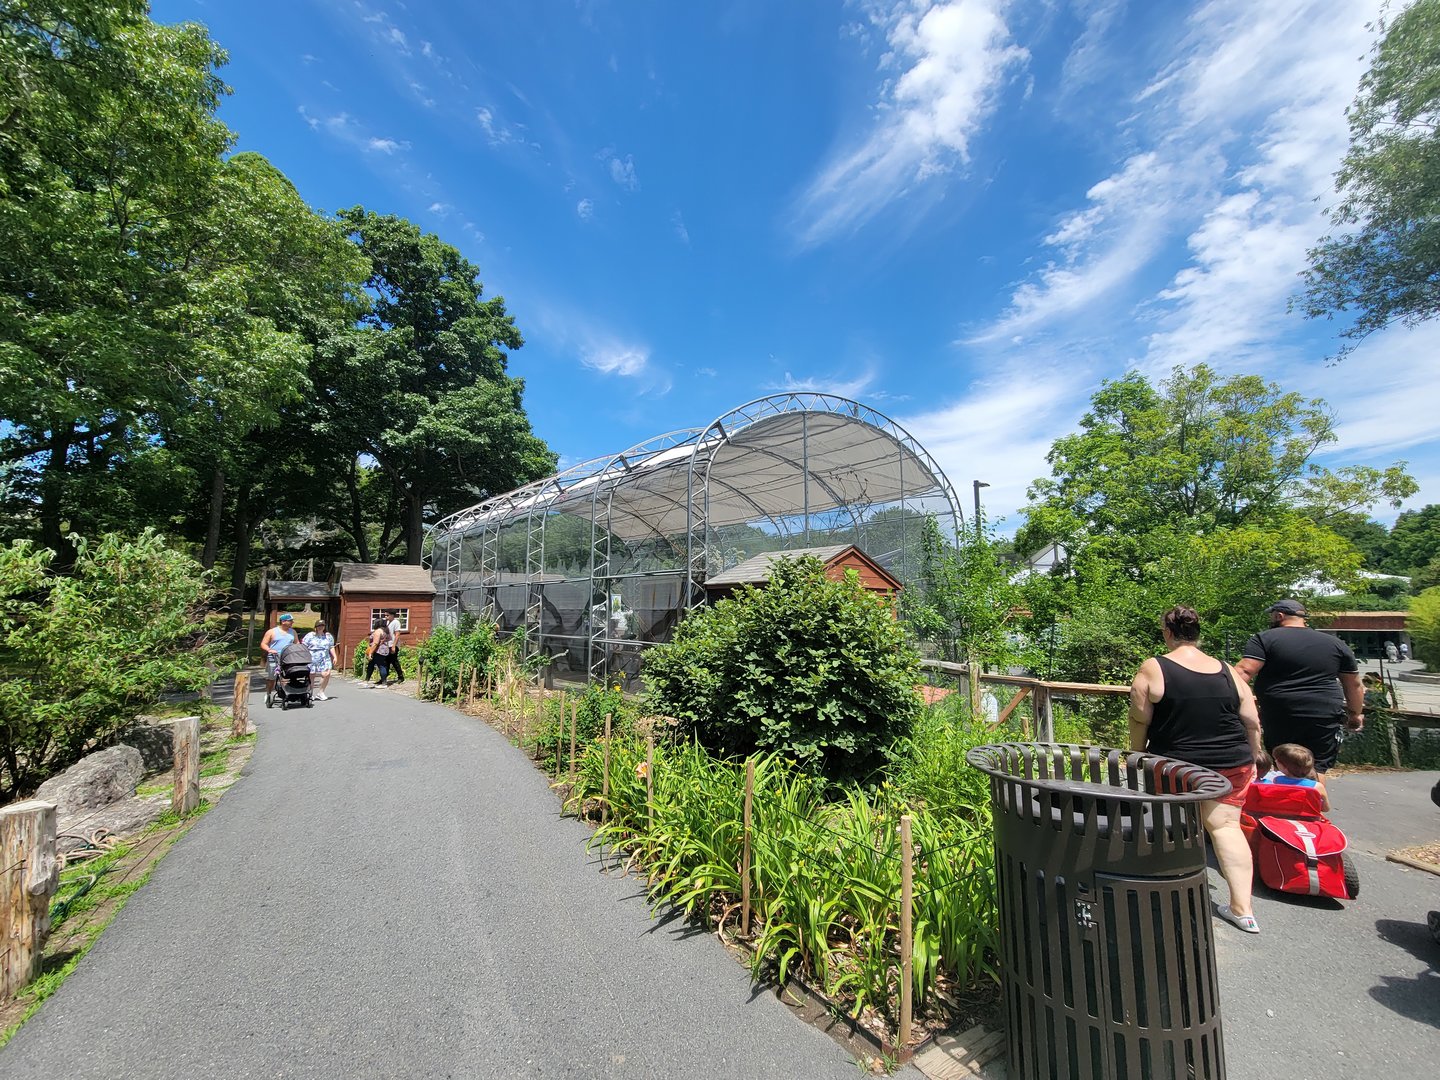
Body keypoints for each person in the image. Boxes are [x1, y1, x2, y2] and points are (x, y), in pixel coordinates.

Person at [1130, 605, 1265, 934]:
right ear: (1198, 633)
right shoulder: (1226, 670)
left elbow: (1139, 717)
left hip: (1176, 766)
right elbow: (1251, 719)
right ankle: (1242, 910)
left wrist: (1134, 754)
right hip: (1231, 763)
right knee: (1225, 829)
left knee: (1170, 825)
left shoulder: (1154, 667)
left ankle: (1164, 895)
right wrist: (1256, 754)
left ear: (1167, 633)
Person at [1236, 599, 1365, 773]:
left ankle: (1288, 798)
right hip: (1323, 714)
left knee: (1283, 762)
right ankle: (1315, 798)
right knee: (1316, 767)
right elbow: (1354, 684)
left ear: (1278, 615)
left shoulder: (1264, 639)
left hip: (1281, 713)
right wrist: (1355, 714)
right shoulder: (1335, 644)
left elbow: (1244, 671)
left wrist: (1224, 694)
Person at [1259, 742, 1331, 811]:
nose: (1275, 761)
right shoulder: (1317, 787)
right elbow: (1326, 808)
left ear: (1284, 768)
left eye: (1277, 761)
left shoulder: (1277, 781)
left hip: (1282, 816)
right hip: (1308, 819)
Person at [260, 613, 298, 696]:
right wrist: (269, 650)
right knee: (272, 677)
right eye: (290, 621)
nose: (292, 622)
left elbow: (297, 643)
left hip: (288, 657)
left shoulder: (293, 632)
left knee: (286, 676)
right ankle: (268, 693)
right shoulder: (271, 632)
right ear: (283, 622)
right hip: (274, 657)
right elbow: (263, 644)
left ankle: (287, 693)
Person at [302, 620, 338, 701]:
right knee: (311, 675)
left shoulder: (328, 636)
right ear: (316, 627)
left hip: (325, 657)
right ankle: (310, 693)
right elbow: (303, 646)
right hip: (312, 657)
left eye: (322, 625)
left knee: (326, 674)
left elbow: (331, 647)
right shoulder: (310, 635)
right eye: (319, 625)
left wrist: (335, 656)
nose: (320, 627)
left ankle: (321, 692)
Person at [361, 618, 394, 687]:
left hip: (377, 651)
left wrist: (370, 652)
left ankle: (384, 683)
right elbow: (390, 638)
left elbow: (375, 643)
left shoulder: (378, 631)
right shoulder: (386, 631)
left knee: (381, 666)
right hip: (384, 649)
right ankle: (366, 681)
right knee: (371, 665)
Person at [386, 610, 406, 682]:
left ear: (392, 615)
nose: (386, 617)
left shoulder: (396, 622)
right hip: (388, 644)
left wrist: (394, 646)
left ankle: (400, 676)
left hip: (393, 644)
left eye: (387, 615)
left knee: (394, 661)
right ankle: (384, 676)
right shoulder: (388, 622)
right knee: (386, 661)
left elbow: (397, 634)